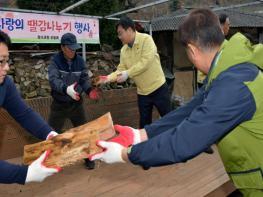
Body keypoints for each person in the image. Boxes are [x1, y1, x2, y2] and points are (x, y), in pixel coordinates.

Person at [90, 8, 263, 197]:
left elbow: (184, 141)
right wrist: (141, 134)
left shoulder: (233, 84)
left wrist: (125, 154)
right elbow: (192, 108)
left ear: (192, 50)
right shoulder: (228, 69)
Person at [0, 31, 61, 184]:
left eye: (7, 61)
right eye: (0, 61)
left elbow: (24, 113)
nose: (6, 67)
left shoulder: (5, 84)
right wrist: (25, 174)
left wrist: (50, 135)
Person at [96, 16, 171, 129]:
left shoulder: (146, 40)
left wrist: (128, 73)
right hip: (142, 93)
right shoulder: (124, 50)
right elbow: (120, 69)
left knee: (169, 119)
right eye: (118, 34)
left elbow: (145, 62)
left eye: (120, 33)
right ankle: (145, 146)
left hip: (158, 88)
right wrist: (107, 78)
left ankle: (178, 143)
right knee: (144, 124)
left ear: (130, 30)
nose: (119, 37)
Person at [48, 32, 99, 169]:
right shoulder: (55, 61)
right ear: (62, 47)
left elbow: (84, 79)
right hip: (59, 104)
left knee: (83, 132)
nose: (73, 51)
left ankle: (88, 157)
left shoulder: (80, 61)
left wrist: (89, 91)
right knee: (52, 134)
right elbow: (54, 80)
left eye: (75, 48)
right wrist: (66, 89)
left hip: (76, 104)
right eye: (70, 48)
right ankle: (47, 161)